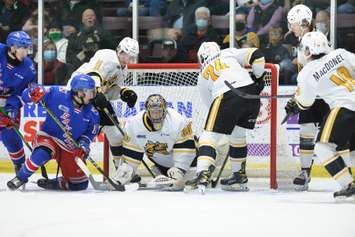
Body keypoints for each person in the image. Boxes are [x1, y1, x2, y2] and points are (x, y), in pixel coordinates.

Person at [184, 42, 266, 192]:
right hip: (252, 96)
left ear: (201, 58)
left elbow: (213, 107)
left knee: (208, 136)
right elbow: (257, 55)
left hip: (226, 94)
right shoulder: (228, 52)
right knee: (238, 137)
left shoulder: (202, 76)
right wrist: (258, 78)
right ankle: (238, 176)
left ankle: (202, 174)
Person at [287, 31, 355, 198]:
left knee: (322, 147)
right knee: (352, 152)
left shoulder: (307, 72)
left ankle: (349, 184)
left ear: (308, 51)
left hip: (344, 106)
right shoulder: (341, 53)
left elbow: (306, 103)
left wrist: (295, 102)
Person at [7, 74, 99, 191]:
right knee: (42, 153)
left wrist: (83, 146)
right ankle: (20, 177)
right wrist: (32, 92)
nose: (93, 96)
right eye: (90, 93)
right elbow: (26, 95)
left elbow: (89, 134)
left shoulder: (93, 112)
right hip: (49, 138)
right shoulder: (57, 94)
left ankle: (55, 183)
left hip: (70, 147)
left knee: (79, 185)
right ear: (79, 93)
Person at [68, 37, 139, 169]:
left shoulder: (123, 69)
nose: (131, 59)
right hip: (78, 94)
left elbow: (110, 91)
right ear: (121, 51)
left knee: (116, 134)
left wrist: (124, 93)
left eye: (133, 56)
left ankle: (121, 169)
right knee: (79, 131)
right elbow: (93, 73)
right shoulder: (107, 56)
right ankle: (71, 163)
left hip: (95, 97)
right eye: (129, 55)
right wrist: (98, 90)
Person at [285, 4, 330, 191]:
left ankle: (347, 174)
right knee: (306, 132)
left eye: (292, 24)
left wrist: (299, 97)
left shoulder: (316, 39)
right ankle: (305, 172)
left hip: (325, 95)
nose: (290, 28)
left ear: (301, 22)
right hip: (310, 94)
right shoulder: (303, 40)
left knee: (335, 136)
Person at [111, 94, 197, 191]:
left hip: (189, 164)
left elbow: (187, 150)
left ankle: (193, 173)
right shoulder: (134, 124)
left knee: (188, 178)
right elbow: (132, 154)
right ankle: (161, 171)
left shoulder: (177, 121)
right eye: (153, 112)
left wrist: (179, 170)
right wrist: (126, 171)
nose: (156, 115)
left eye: (159, 112)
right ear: (147, 112)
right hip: (164, 164)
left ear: (165, 111)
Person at [0, 31, 36, 174]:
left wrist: (13, 107)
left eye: (28, 48)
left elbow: (25, 93)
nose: (26, 52)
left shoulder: (28, 67)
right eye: (24, 48)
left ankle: (20, 167)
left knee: (11, 137)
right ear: (13, 47)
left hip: (8, 102)